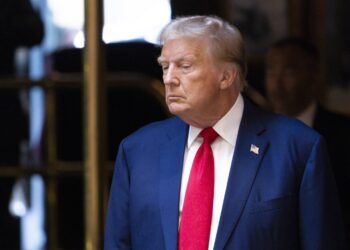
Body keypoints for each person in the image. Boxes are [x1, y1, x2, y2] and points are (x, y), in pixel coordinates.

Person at [105, 16, 346, 249]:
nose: (169, 79)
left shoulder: (299, 147)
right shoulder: (137, 150)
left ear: (226, 76)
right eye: (165, 67)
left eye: (184, 67)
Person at [265, 37, 350, 239]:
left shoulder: (344, 133)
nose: (277, 84)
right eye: (271, 72)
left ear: (314, 76)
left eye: (288, 72)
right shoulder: (252, 131)